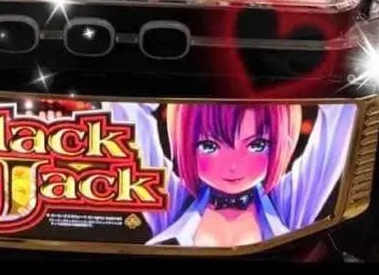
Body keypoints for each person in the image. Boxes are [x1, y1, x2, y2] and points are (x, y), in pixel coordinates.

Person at [107, 101, 356, 247]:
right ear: (186, 145)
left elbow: (341, 115)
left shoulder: (289, 205)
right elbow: (126, 112)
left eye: (257, 145)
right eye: (209, 146)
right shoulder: (174, 204)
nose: (233, 166)